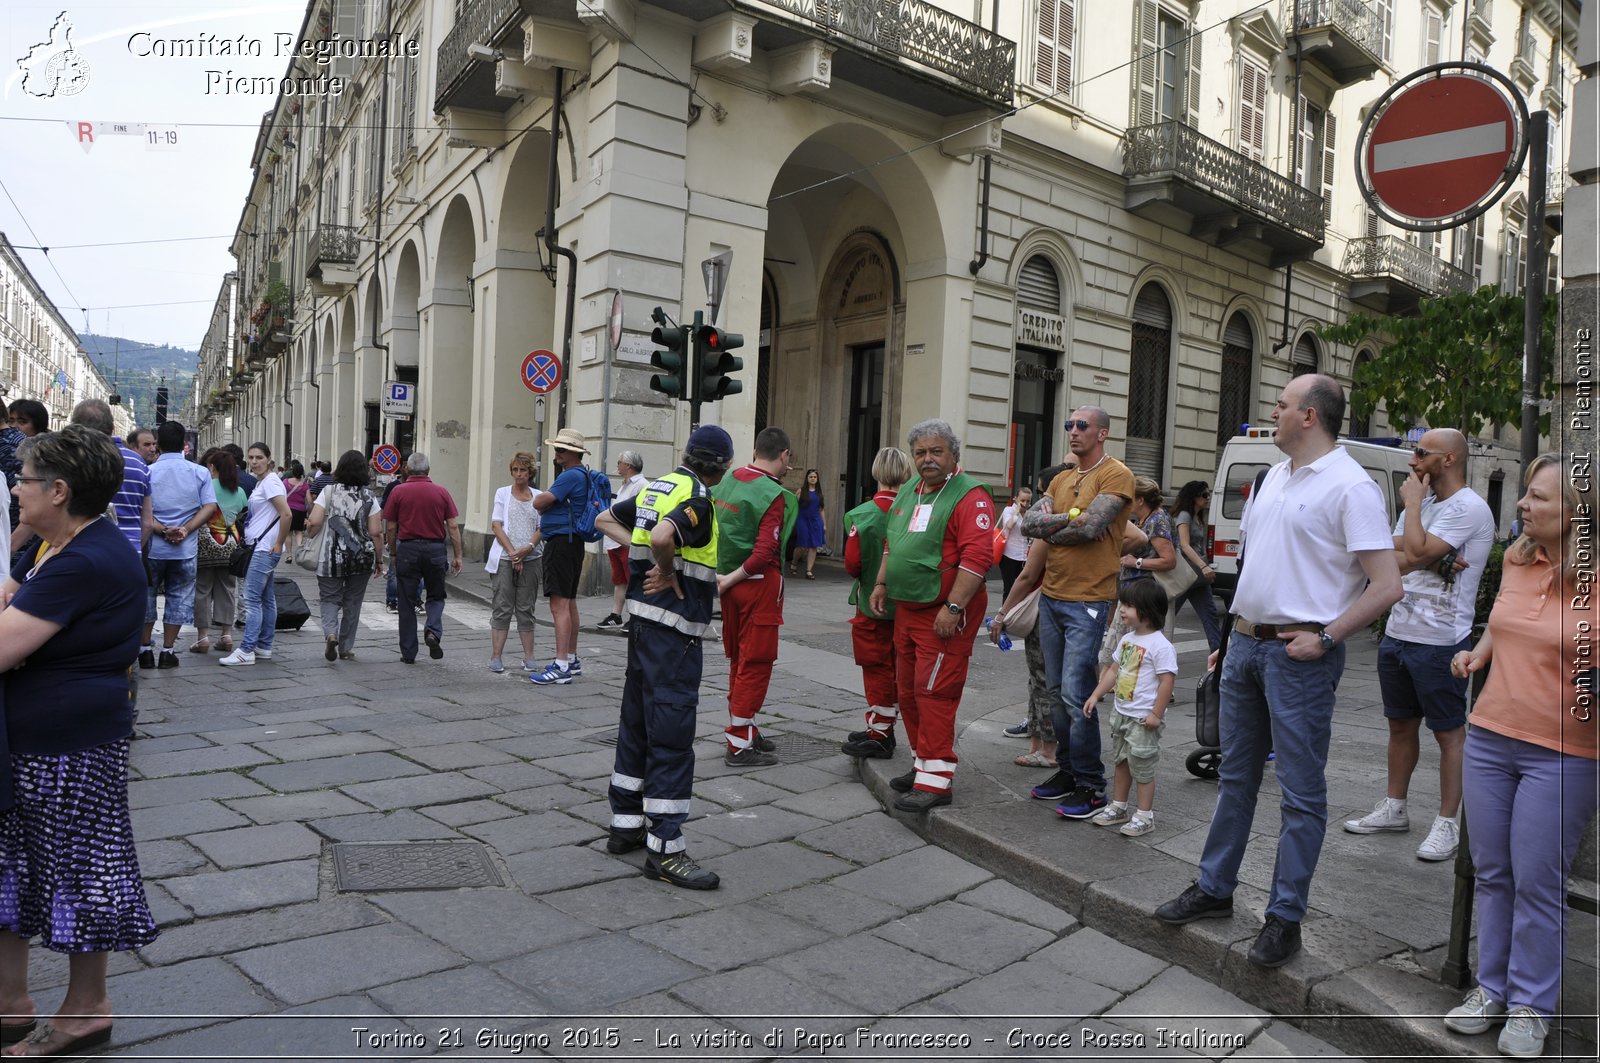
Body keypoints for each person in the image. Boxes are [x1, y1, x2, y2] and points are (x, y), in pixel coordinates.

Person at [1154, 375, 1401, 969]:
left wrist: (1326, 637)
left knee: (1301, 793)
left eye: (1283, 404)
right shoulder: (1271, 479)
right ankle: (1215, 888)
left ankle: (1284, 918)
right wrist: (1232, 633)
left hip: (1299, 659)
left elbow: (1387, 584)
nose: (1274, 411)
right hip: (1245, 647)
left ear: (1310, 416)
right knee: (1234, 777)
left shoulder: (1352, 488)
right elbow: (1258, 565)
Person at [0, 425, 159, 1058]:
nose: (16, 488)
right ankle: (11, 1003)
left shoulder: (84, 558)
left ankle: (85, 1010)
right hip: (50, 735)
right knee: (18, 861)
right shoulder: (68, 547)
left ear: (59, 491)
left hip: (64, 743)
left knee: (79, 868)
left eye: (26, 478)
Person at [1441, 453, 1596, 1058]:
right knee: (1492, 871)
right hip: (1489, 734)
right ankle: (1492, 989)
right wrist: (1481, 651)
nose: (1524, 506)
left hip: (1564, 751)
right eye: (1525, 495)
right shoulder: (1516, 559)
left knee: (1538, 881)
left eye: (1538, 498)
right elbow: (1505, 623)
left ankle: (1531, 1006)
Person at [594, 425, 735, 890]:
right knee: (672, 732)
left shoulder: (657, 486)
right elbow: (661, 538)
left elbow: (604, 521)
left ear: (687, 454)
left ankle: (626, 825)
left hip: (641, 624)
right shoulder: (697, 498)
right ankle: (667, 849)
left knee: (635, 722)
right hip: (674, 634)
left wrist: (648, 561)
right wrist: (666, 569)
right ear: (722, 467)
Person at [1343, 429, 1493, 862]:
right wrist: (1430, 551)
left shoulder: (1469, 507)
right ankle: (1395, 808)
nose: (1413, 460)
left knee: (1449, 733)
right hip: (1399, 633)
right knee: (1400, 725)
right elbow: (1390, 553)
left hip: (1442, 641)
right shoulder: (1425, 504)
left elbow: (1412, 549)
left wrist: (1415, 524)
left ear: (1448, 459)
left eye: (1421, 452)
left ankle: (1446, 824)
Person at [868, 419, 993, 813]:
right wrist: (882, 584)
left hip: (944, 613)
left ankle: (937, 781)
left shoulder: (970, 496)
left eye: (936, 451)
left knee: (935, 692)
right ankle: (924, 765)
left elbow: (977, 560)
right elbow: (892, 543)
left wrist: (953, 607)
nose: (927, 459)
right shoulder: (910, 489)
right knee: (907, 691)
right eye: (920, 452)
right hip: (908, 608)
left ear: (953, 454)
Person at [1020, 408, 1135, 819]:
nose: (1072, 431)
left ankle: (1091, 784)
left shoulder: (1116, 474)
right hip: (1051, 597)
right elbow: (1027, 525)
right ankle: (1067, 772)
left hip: (1088, 599)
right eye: (1068, 424)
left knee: (1074, 692)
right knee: (1053, 692)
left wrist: (1054, 524)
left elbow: (1091, 528)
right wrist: (1067, 520)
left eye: (1081, 425)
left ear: (1102, 432)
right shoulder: (1060, 478)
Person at [712, 427, 798, 767]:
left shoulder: (730, 480)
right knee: (757, 661)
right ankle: (738, 740)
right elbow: (765, 552)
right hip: (757, 584)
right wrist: (732, 578)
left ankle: (745, 727)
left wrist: (723, 579)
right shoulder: (772, 494)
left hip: (728, 583)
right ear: (784, 455)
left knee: (738, 658)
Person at [1082, 578, 1176, 837]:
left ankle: (1145, 815)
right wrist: (1096, 694)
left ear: (1148, 610)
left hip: (1143, 719)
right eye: (1123, 604)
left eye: (1129, 605)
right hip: (1122, 714)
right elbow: (1113, 670)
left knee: (1143, 767)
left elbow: (1167, 681)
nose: (1122, 610)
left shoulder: (1160, 645)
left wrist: (1156, 714)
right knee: (1121, 762)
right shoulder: (1126, 640)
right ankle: (1119, 806)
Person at [991, 462, 1070, 768]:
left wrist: (1001, 614)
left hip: (1044, 610)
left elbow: (1026, 577)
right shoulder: (1073, 526)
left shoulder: (1049, 531)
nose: (1038, 499)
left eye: (1042, 491)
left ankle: (1048, 749)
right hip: (1061, 607)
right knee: (1043, 680)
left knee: (1044, 682)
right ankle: (1040, 744)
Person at [839, 446, 913, 760]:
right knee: (899, 667)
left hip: (872, 604)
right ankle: (880, 724)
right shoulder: (914, 510)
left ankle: (881, 732)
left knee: (876, 667)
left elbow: (852, 564)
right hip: (908, 601)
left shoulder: (862, 514)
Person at [140, 421, 217, 671]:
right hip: (185, 548)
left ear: (158, 444)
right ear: (185, 443)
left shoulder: (148, 472)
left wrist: (161, 529)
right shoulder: (199, 472)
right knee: (178, 597)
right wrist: (185, 529)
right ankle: (167, 650)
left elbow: (142, 511)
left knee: (147, 596)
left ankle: (144, 650)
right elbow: (209, 507)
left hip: (153, 546)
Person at [382, 452, 463, 665]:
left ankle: (408, 652)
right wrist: (458, 555)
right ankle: (433, 632)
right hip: (435, 550)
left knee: (406, 601)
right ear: (428, 470)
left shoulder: (398, 491)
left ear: (407, 469)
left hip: (407, 550)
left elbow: (390, 526)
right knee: (436, 595)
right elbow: (453, 526)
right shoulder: (441, 492)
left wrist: (392, 552)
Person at [218, 442, 291, 667]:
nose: (254, 462)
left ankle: (247, 649)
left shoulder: (270, 483)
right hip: (261, 546)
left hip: (264, 548)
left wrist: (278, 543)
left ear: (269, 459)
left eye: (259, 457)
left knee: (251, 599)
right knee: (266, 599)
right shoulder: (263, 482)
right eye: (251, 458)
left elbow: (286, 514)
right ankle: (264, 646)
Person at [529, 428, 593, 685]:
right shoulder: (583, 474)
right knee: (569, 601)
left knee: (559, 605)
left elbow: (540, 501)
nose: (556, 453)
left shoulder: (569, 476)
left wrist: (543, 500)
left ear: (572, 453)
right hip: (572, 542)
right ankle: (571, 658)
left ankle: (561, 665)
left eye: (560, 450)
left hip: (561, 542)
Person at [307, 450, 384, 664]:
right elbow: (376, 532)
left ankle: (330, 634)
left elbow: (313, 521)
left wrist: (309, 535)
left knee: (329, 598)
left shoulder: (329, 492)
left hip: (330, 558)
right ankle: (346, 647)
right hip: (361, 558)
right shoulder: (370, 497)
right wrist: (379, 560)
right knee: (353, 602)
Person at [68, 400, 151, 556]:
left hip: (78, 553)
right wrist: (132, 551)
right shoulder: (138, 463)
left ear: (75, 427)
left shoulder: (69, 459)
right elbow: (147, 523)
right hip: (128, 552)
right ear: (112, 428)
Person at [485, 451, 542, 673]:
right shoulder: (503, 493)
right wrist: (512, 553)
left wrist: (526, 550)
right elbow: (496, 525)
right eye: (515, 470)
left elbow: (541, 527)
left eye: (523, 470)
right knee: (502, 606)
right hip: (505, 557)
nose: (518, 474)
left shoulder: (539, 496)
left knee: (526, 607)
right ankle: (496, 655)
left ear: (530, 473)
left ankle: (529, 656)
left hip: (531, 557)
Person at [191, 448, 245, 654]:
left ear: (212, 467)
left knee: (202, 590)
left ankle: (203, 637)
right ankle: (226, 635)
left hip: (206, 544)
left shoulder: (204, 485)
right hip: (230, 546)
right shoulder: (239, 491)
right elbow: (241, 513)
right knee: (228, 589)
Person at [1168, 480, 1222, 651]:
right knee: (1165, 617)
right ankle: (1153, 650)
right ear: (1194, 497)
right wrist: (1203, 565)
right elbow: (1184, 545)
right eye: (1205, 495)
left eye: (1209, 494)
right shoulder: (1184, 515)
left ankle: (1217, 654)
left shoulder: (1199, 517)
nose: (1208, 498)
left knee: (1210, 615)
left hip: (1197, 578)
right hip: (1185, 574)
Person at [599, 451, 647, 629]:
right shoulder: (624, 485)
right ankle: (616, 614)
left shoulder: (641, 485)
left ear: (628, 465)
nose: (617, 466)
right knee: (619, 580)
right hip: (615, 539)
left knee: (633, 579)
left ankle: (635, 616)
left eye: (619, 462)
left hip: (627, 538)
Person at [998, 485, 1033, 601]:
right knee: (1009, 588)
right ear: (1016, 499)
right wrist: (1017, 511)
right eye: (1022, 500)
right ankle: (1004, 617)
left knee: (1022, 589)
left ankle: (1016, 616)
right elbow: (1009, 525)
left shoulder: (1029, 514)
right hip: (1009, 556)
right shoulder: (1009, 510)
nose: (1025, 503)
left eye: (1028, 501)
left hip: (1024, 557)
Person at [790, 468, 826, 579]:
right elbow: (794, 506)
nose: (813, 478)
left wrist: (824, 524)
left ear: (817, 479)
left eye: (815, 477)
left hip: (816, 520)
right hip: (802, 519)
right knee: (802, 545)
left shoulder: (819, 493)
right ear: (807, 478)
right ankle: (794, 562)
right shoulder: (801, 491)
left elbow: (821, 509)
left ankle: (809, 570)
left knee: (813, 546)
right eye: (811, 477)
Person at [282, 460, 309, 554]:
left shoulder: (285, 482)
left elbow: (281, 495)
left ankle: (289, 555)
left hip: (287, 510)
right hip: (300, 511)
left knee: (288, 533)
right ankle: (300, 551)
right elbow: (309, 500)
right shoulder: (305, 485)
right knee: (299, 532)